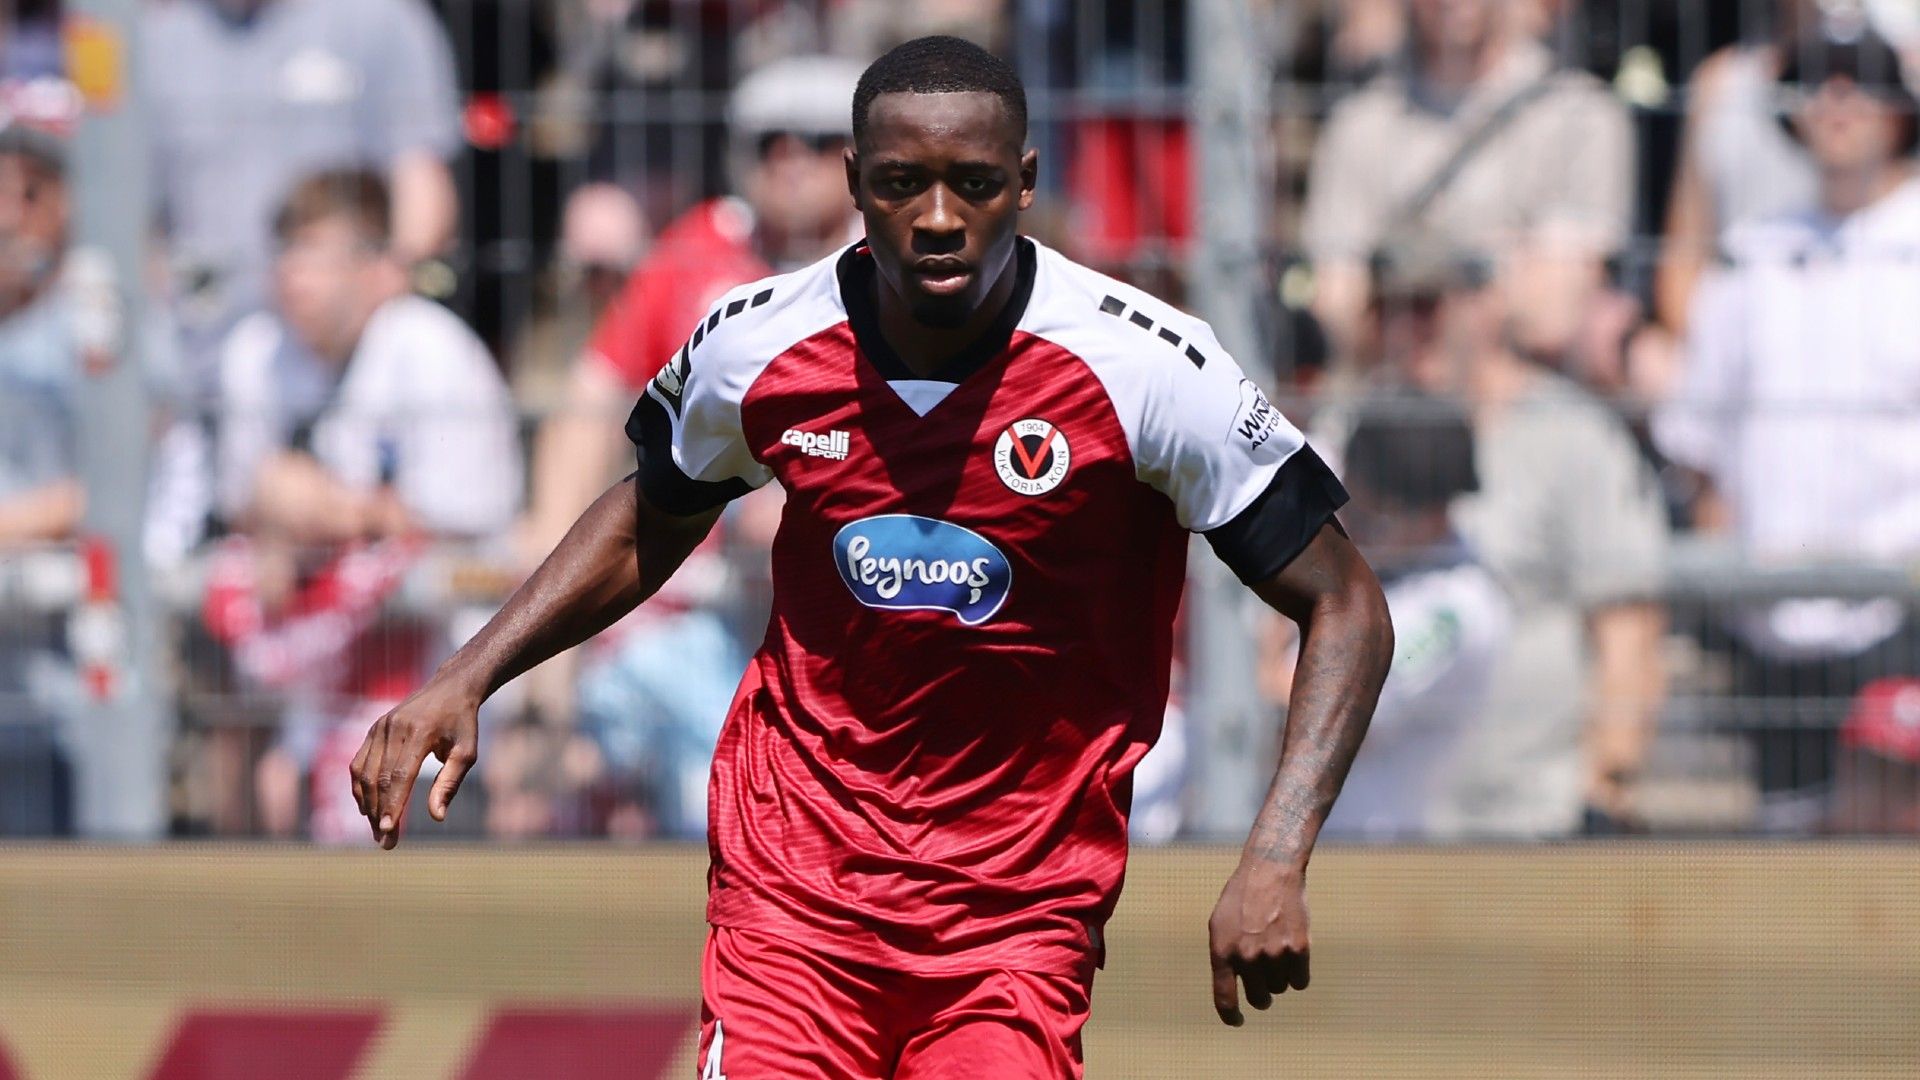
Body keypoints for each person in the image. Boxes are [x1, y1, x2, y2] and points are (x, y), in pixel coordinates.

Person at [351, 36, 1393, 1077]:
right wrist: (468, 674)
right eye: (902, 184)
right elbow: (646, 520)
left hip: (1013, 921)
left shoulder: (1149, 370)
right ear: (855, 182)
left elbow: (1345, 605)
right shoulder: (755, 343)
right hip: (793, 898)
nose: (939, 218)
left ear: (1024, 183)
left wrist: (1274, 853)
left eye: (974, 184)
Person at [1653, 21, 1920, 832]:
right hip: (1771, 619)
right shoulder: (1752, 257)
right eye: (1818, 83)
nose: (1837, 102)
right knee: (1793, 861)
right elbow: (1695, 438)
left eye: (1861, 81)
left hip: (1901, 609)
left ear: (1899, 110)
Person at [211, 169, 520, 839]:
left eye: (319, 253)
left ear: (380, 267)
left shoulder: (430, 348)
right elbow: (239, 510)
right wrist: (279, 513)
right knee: (261, 773)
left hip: (438, 657)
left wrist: (331, 508)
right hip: (315, 657)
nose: (296, 275)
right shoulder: (257, 353)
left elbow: (465, 524)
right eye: (288, 251)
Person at [1367, 237, 1669, 838]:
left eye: (1430, 305)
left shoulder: (1571, 436)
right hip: (1383, 818)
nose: (1411, 328)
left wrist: (1606, 781)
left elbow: (1628, 627)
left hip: (1537, 814)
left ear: (1486, 303)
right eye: (1391, 308)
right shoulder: (1350, 433)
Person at [520, 55, 865, 557]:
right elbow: (593, 394)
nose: (791, 160)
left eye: (817, 141)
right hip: (701, 582)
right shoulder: (698, 246)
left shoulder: (894, 267)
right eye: (771, 141)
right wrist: (547, 550)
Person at [141, 0, 462, 381]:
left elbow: (422, 185)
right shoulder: (160, 37)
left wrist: (377, 290)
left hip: (345, 360)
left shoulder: (377, 17)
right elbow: (136, 225)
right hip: (200, 360)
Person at [1300, 0, 1633, 366]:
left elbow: (1553, 315)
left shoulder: (1580, 116)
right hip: (1390, 396)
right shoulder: (1358, 126)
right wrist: (1500, 270)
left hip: (1534, 401)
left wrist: (1405, 286)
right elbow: (1337, 310)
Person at [1269, 394, 1511, 841]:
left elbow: (1291, 711)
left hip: (1362, 859)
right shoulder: (1368, 557)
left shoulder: (1456, 610)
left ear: (1432, 513)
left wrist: (1263, 574)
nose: (1347, 520)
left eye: (1368, 512)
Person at [0, 122, 79, 834]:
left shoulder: (99, 328)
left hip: (68, 685)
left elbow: (115, 487)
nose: (6, 215)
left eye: (27, 193)